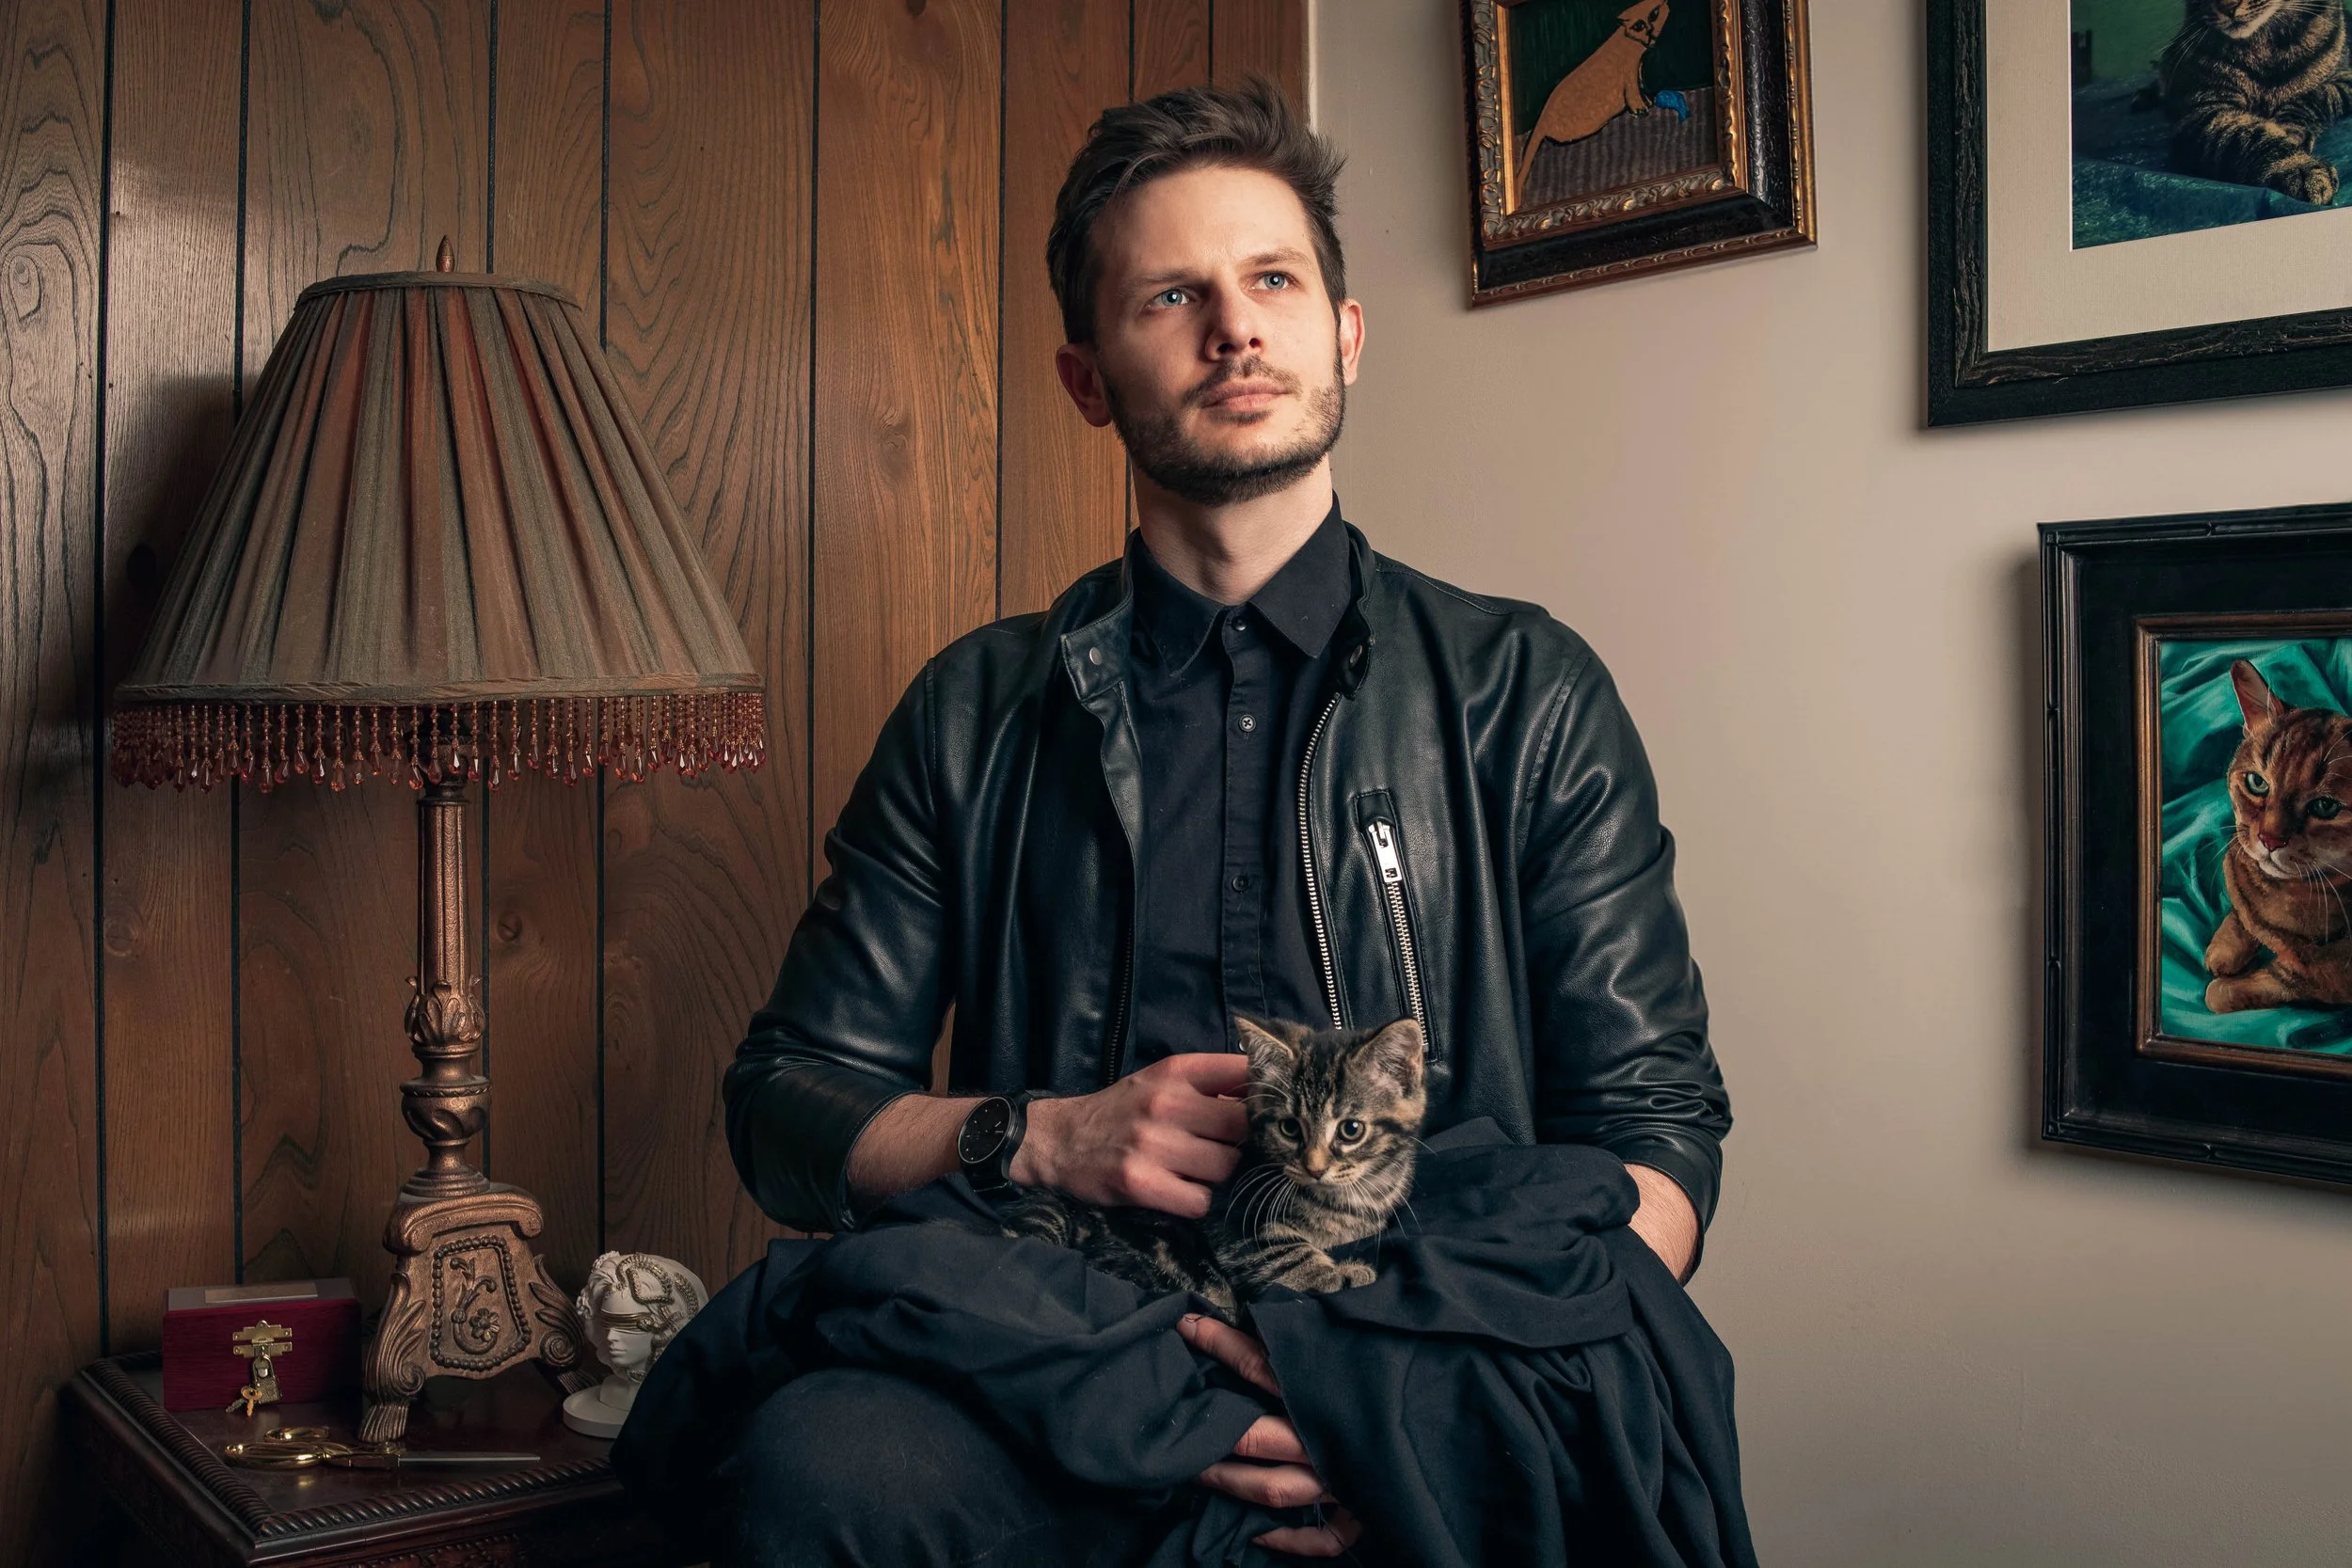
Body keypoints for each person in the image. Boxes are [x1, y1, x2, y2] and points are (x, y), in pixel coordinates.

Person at [713, 78, 1729, 1566]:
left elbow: (1658, 1133)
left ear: (1347, 333)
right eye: (1171, 295)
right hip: (1054, 1351)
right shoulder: (972, 712)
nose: (1235, 327)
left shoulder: (1527, 690)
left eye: (1272, 280)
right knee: (814, 1462)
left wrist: (1409, 1394)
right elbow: (786, 1103)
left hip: (1426, 1344)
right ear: (1086, 377)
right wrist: (1035, 1135)